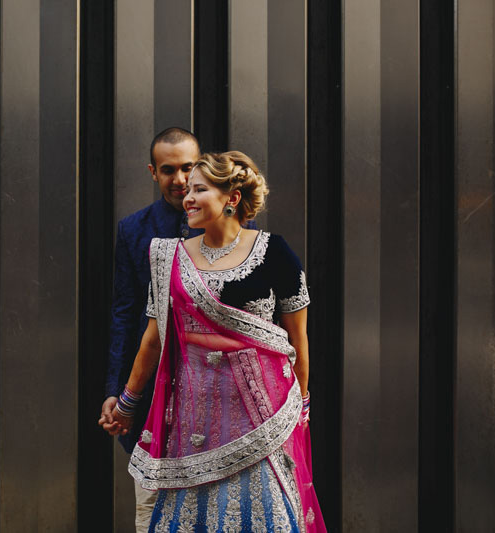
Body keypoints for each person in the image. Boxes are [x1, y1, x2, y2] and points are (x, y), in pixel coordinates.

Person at [109, 151, 326, 531]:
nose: (188, 197)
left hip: (262, 414)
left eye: (200, 190)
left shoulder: (274, 251)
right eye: (189, 190)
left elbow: (297, 340)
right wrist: (127, 402)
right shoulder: (169, 257)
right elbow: (153, 340)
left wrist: (302, 406)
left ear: (232, 198)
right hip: (195, 416)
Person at [98, 127, 203, 531]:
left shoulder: (226, 224)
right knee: (152, 505)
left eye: (188, 168)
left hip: (211, 382)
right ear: (153, 172)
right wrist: (116, 389)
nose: (180, 179)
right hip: (152, 382)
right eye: (169, 170)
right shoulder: (133, 229)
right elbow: (124, 314)